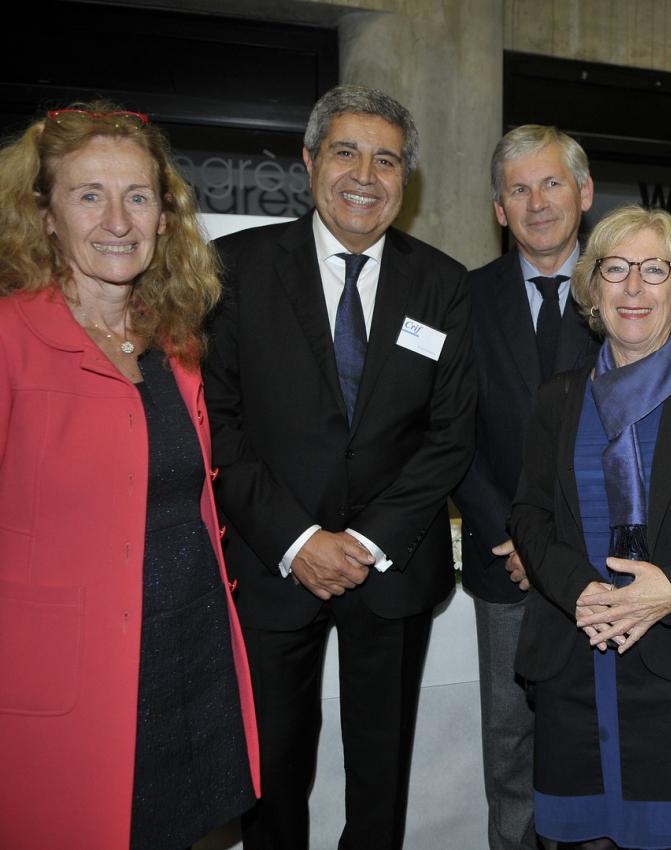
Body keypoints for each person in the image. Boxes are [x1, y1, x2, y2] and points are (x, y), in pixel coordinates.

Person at [204, 84, 475, 850]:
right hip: (270, 561)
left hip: (390, 568)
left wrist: (365, 543)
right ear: (309, 161)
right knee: (272, 769)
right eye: (346, 151)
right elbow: (216, 425)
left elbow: (450, 436)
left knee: (381, 769)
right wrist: (298, 542)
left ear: (406, 179)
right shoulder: (234, 268)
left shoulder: (443, 284)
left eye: (387, 159)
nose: (366, 173)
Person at [0, 103, 259, 850]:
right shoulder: (13, 339)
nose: (118, 219)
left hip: (190, 660)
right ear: (45, 215)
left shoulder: (172, 343)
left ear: (165, 215)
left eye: (138, 197)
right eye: (89, 195)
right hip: (71, 687)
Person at [510, 205, 671, 850]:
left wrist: (670, 589)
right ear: (592, 291)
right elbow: (528, 514)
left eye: (654, 269)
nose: (634, 287)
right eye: (615, 270)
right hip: (573, 651)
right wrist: (577, 590)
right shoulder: (556, 399)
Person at [454, 124, 599, 850]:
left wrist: (562, 546)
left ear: (584, 193)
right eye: (519, 189)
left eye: (551, 183)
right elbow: (450, 432)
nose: (537, 202)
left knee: (594, 739)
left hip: (598, 566)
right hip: (502, 557)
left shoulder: (627, 294)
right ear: (499, 210)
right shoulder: (463, 298)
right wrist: (512, 537)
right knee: (510, 744)